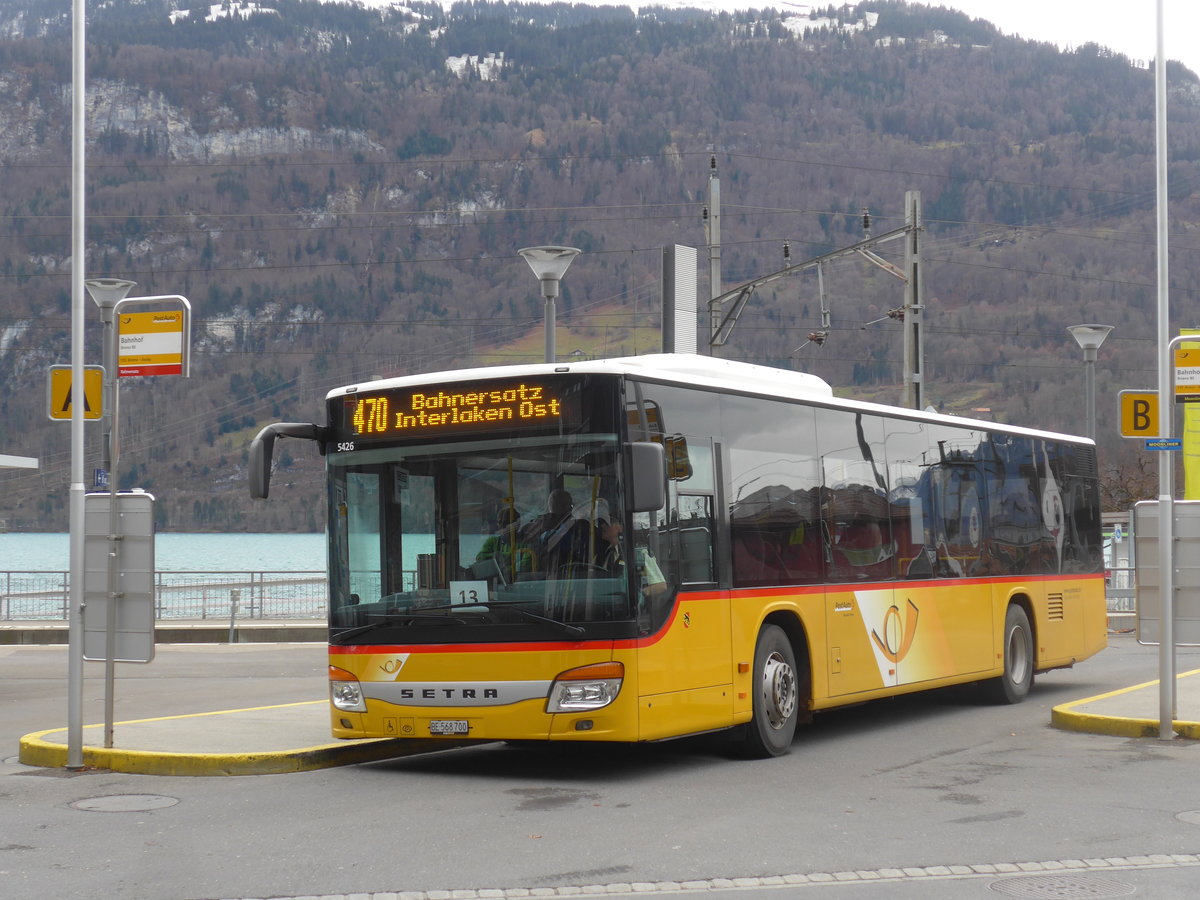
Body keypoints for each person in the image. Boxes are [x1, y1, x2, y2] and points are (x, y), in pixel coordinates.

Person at [475, 507, 533, 580]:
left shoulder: (526, 541)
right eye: (501, 524)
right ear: (498, 525)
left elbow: (525, 565)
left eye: (508, 523)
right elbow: (480, 557)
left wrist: (501, 566)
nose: (504, 528)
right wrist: (497, 556)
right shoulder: (492, 542)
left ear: (517, 525)